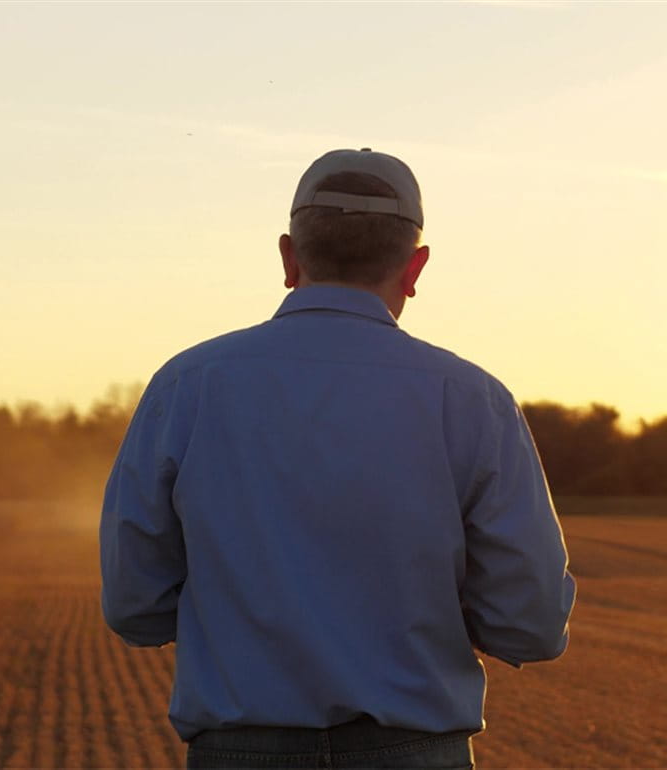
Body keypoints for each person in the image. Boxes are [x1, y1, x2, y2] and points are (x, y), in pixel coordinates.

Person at [99, 148, 578, 769]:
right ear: (414, 268)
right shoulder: (472, 400)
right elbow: (531, 624)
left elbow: (136, 606)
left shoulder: (189, 385)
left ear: (288, 256)